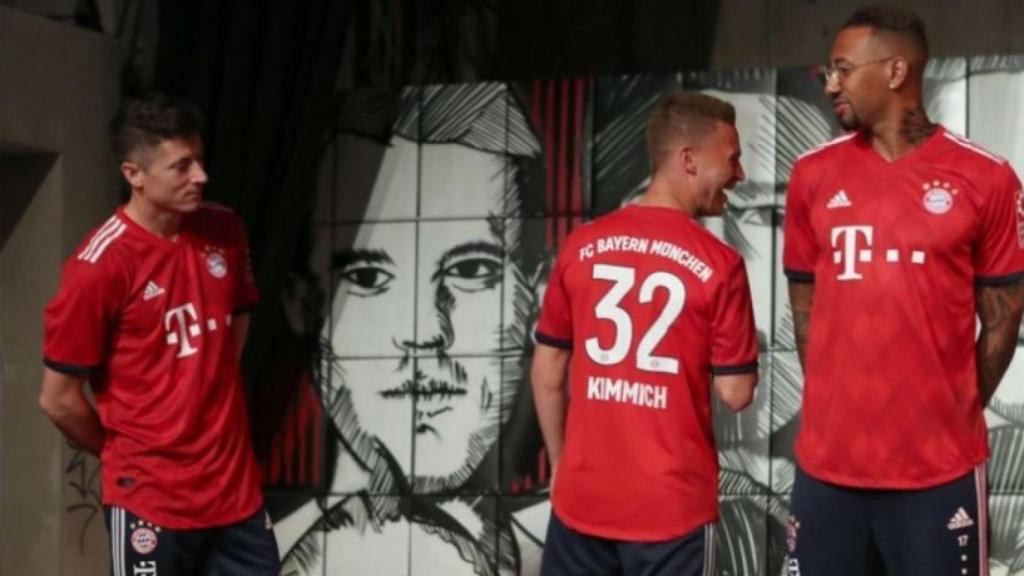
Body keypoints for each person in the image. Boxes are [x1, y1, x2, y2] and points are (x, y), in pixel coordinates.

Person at [783, 7, 1024, 576]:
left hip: (937, 475)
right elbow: (804, 308)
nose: (831, 84)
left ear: (895, 71)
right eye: (829, 71)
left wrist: (951, 409)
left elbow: (1004, 316)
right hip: (827, 473)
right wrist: (835, 408)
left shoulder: (985, 177)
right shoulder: (811, 175)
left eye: (843, 69)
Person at [277, 83, 551, 575]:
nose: (426, 331)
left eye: (471, 270)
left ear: (538, 301)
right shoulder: (258, 554)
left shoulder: (578, 552)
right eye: (367, 277)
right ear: (301, 305)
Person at [39, 94, 280, 575]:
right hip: (151, 500)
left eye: (200, 160)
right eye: (182, 166)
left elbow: (236, 323)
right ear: (135, 174)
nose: (201, 176)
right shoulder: (99, 266)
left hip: (234, 494)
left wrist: (200, 388)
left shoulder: (224, 229)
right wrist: (123, 452)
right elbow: (58, 399)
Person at [532, 90, 759, 576]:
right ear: (689, 160)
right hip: (671, 512)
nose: (739, 174)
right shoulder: (720, 265)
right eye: (732, 159)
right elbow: (736, 393)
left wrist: (560, 464)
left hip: (581, 502)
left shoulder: (580, 245)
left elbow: (548, 369)